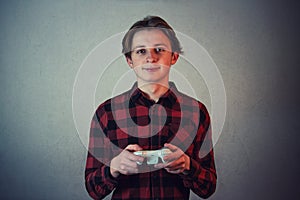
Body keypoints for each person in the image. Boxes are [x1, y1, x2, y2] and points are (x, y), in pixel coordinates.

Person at [85, 16, 217, 200]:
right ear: (129, 60)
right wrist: (114, 167)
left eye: (159, 49)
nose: (150, 58)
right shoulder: (106, 113)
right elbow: (93, 190)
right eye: (140, 51)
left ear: (174, 57)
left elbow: (208, 188)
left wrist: (187, 165)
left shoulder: (197, 112)